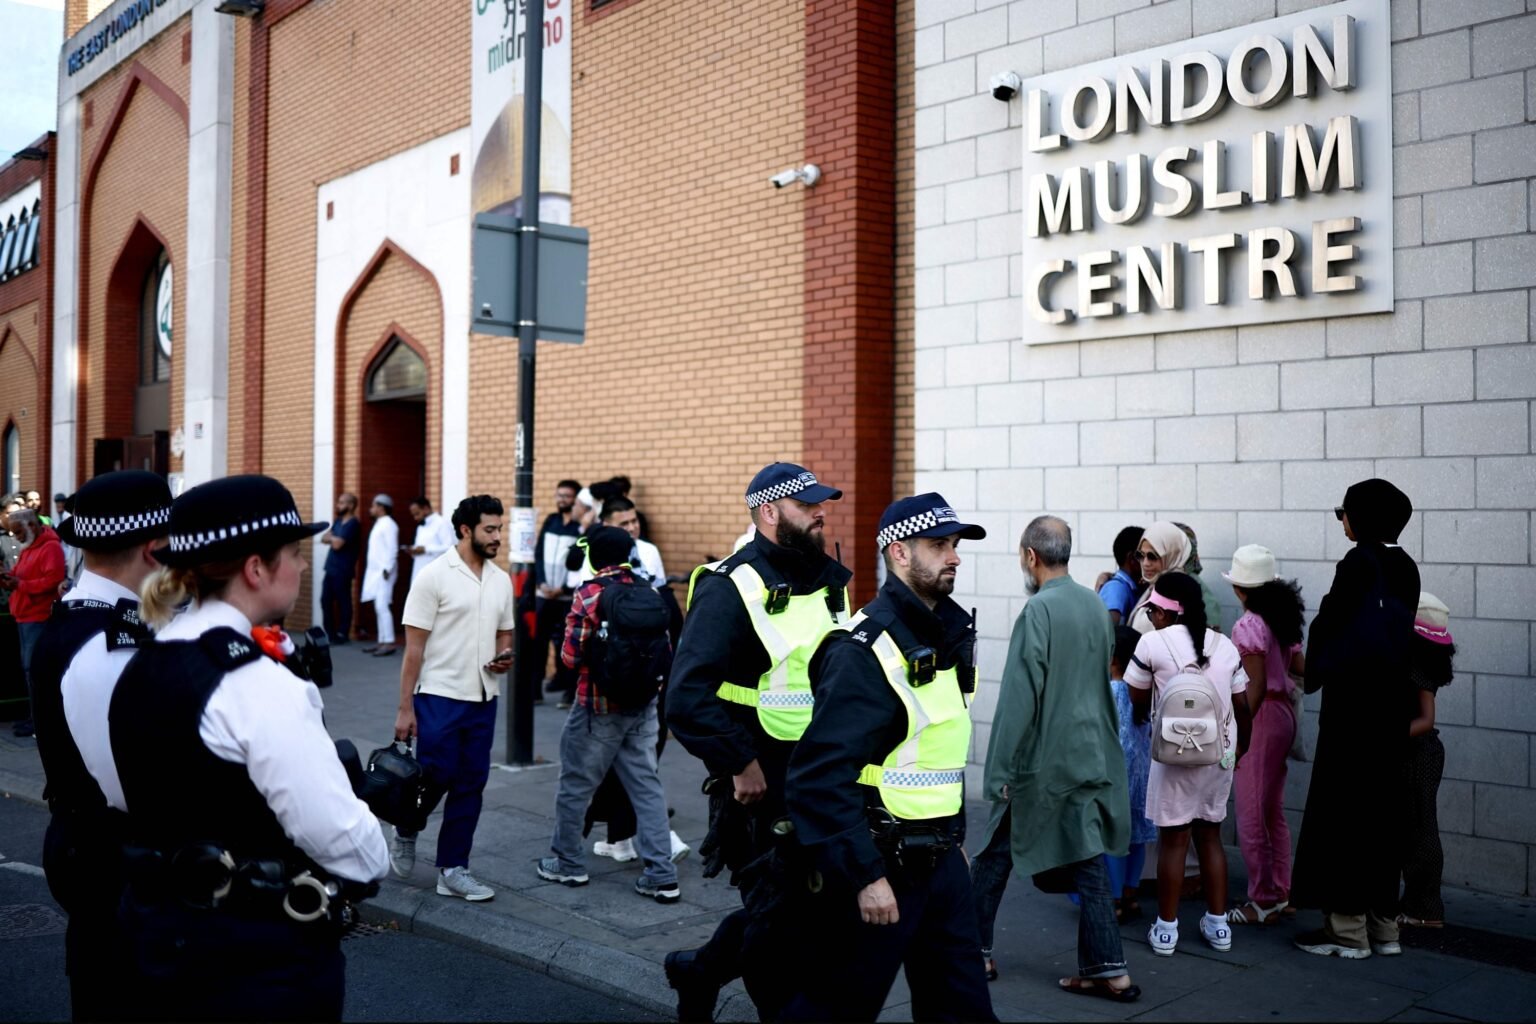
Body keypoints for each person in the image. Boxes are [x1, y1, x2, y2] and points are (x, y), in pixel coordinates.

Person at [110, 474, 389, 1020]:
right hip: (255, 963)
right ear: (256, 568)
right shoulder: (257, 684)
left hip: (157, 938)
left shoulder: (144, 661)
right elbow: (347, 845)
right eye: (294, 553)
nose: (303, 566)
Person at [774, 493, 994, 1022]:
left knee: (962, 1010)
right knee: (834, 1010)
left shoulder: (947, 636)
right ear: (899, 553)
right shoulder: (864, 650)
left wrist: (954, 837)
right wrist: (864, 876)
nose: (955, 557)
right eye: (939, 545)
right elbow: (818, 778)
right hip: (880, 868)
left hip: (942, 863)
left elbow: (935, 754)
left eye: (956, 545)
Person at [663, 462, 851, 1022]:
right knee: (779, 921)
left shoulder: (830, 580)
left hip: (822, 775)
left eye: (822, 504)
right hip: (760, 783)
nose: (821, 513)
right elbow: (685, 698)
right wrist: (739, 762)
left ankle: (698, 970)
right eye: (808, 505)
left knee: (804, 910)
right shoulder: (730, 585)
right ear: (770, 512)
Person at [974, 515, 1138, 1004]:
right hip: (1091, 753)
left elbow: (1020, 697)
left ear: (1030, 556)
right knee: (1087, 861)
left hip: (1042, 760)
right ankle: (1109, 970)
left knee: (992, 856)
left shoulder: (1039, 611)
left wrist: (999, 768)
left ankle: (971, 949)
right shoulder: (1094, 604)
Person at [30, 470, 172, 1021]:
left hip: (96, 850)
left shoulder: (96, 618)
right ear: (154, 547)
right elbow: (133, 788)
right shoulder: (108, 642)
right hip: (113, 860)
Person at [1293, 479, 1419, 960]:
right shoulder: (1406, 565)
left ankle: (1346, 931)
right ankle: (1384, 928)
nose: (1341, 519)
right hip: (1390, 709)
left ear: (1360, 517)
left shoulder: (1358, 562)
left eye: (1343, 512)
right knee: (1383, 815)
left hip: (1353, 712)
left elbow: (1332, 627)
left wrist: (1315, 665)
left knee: (1343, 813)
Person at [535, 526, 679, 901]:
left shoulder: (588, 593)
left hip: (597, 707)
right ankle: (662, 874)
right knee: (646, 786)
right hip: (644, 705)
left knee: (575, 786)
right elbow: (664, 649)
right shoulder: (649, 591)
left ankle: (567, 863)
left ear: (594, 557)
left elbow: (569, 658)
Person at [390, 495, 516, 901]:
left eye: (500, 528)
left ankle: (453, 869)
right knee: (436, 775)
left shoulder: (500, 579)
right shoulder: (433, 576)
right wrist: (405, 708)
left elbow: (505, 632)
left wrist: (503, 656)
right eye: (490, 530)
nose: (498, 536)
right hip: (439, 696)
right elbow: (413, 650)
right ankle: (407, 824)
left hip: (483, 698)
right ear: (466, 530)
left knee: (471, 784)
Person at [1124, 572, 1247, 958]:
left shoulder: (1150, 644)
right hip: (1218, 755)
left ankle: (1166, 929)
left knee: (1174, 840)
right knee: (1210, 836)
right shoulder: (1225, 645)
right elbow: (1242, 706)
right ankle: (1218, 925)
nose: (1151, 617)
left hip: (1173, 756)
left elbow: (1136, 697)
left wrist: (1149, 721)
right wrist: (1240, 751)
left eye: (1154, 610)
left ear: (1166, 612)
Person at [582, 495, 689, 864]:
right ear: (607, 524)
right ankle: (634, 838)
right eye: (624, 523)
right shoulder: (594, 557)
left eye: (634, 521)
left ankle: (624, 838)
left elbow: (662, 607)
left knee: (639, 759)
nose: (632, 528)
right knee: (618, 765)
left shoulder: (648, 551)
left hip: (650, 669)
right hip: (611, 675)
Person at [1222, 544, 1305, 926]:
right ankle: (1282, 891)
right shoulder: (1283, 620)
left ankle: (1262, 898)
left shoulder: (1249, 624)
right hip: (1284, 714)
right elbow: (1300, 667)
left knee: (1251, 811)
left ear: (1240, 589)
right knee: (1272, 810)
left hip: (1263, 716)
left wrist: (1239, 733)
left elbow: (1252, 686)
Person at [1400, 592, 1453, 930]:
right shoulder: (1426, 664)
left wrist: (1390, 735)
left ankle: (1425, 909)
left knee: (1420, 830)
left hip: (1419, 752)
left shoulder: (1418, 669)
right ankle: (1422, 905)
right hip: (1424, 752)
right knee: (1418, 827)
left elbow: (1426, 719)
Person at [3, 508, 67, 738]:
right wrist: (9, 577)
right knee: (30, 670)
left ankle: (40, 720)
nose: (16, 537)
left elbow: (53, 581)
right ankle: (34, 717)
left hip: (38, 616)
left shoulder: (50, 547)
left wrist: (19, 584)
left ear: (31, 526)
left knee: (36, 671)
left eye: (18, 532)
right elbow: (22, 574)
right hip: (25, 615)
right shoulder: (30, 547)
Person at [1107, 624, 1155, 923]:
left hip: (1114, 774)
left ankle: (1111, 900)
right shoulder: (1143, 692)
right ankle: (1130, 895)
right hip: (1142, 775)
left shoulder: (1108, 691)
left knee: (1111, 838)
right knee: (1136, 837)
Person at [534, 480, 583, 706]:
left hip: (567, 597)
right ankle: (536, 691)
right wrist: (542, 583)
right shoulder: (551, 521)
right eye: (559, 495)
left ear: (576, 499)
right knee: (538, 643)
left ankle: (567, 692)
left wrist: (562, 588)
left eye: (568, 496)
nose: (562, 499)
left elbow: (579, 562)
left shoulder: (579, 528)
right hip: (544, 595)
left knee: (568, 643)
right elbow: (539, 554)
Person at [1125, 522, 1190, 634]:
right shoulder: (1157, 585)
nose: (1145, 563)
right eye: (1140, 555)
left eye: (1152, 556)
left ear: (1171, 555)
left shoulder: (1174, 592)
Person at [361, 494, 400, 656]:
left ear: (381, 508)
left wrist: (387, 568)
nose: (371, 509)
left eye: (374, 506)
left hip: (384, 571)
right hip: (377, 572)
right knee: (379, 607)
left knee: (382, 606)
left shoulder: (389, 525)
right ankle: (382, 641)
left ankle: (389, 642)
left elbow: (392, 549)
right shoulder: (380, 524)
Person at [319, 493, 361, 644]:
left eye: (342, 503)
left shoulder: (353, 524)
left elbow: (338, 544)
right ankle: (330, 634)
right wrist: (333, 538)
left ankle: (343, 633)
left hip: (343, 569)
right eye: (338, 502)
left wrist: (332, 539)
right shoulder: (338, 521)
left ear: (350, 506)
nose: (338, 505)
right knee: (325, 601)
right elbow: (323, 538)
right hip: (330, 568)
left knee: (344, 602)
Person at [1099, 526, 1143, 624]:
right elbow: (1109, 633)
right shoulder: (1115, 588)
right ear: (1132, 559)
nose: (1147, 563)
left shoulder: (1132, 587)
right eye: (1144, 556)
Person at [407, 496, 454, 583]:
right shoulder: (420, 527)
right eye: (413, 515)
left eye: (417, 514)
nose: (415, 518)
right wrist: (413, 551)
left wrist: (426, 549)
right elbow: (420, 549)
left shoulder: (441, 523)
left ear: (426, 508)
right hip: (418, 573)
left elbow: (450, 548)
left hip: (435, 575)